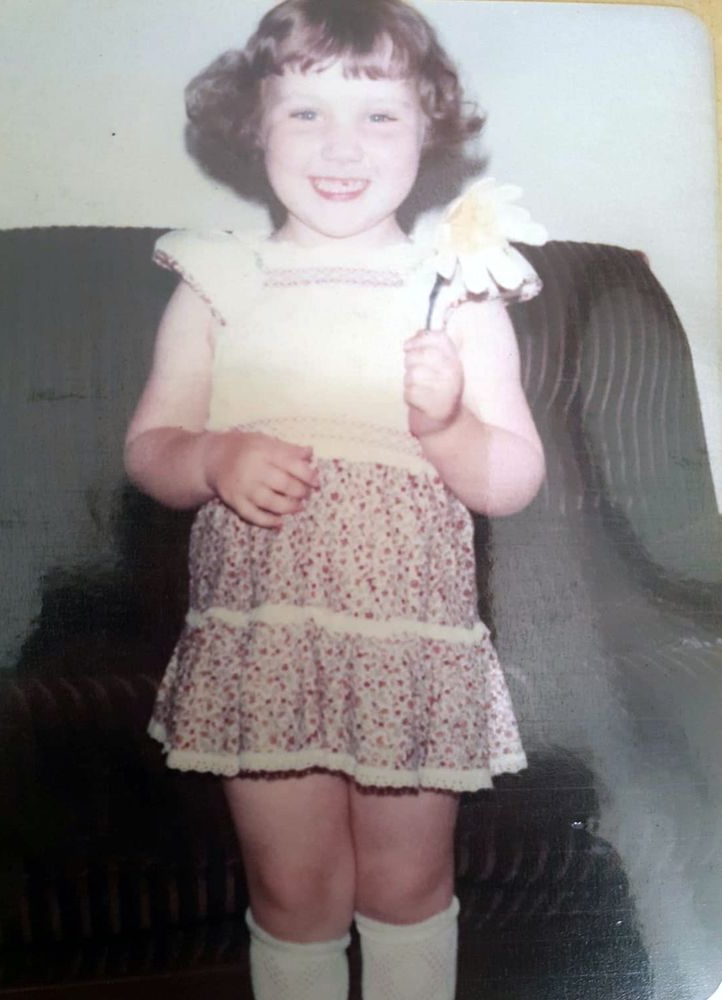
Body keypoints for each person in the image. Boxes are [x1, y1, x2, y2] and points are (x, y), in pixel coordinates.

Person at [124, 1, 546, 997]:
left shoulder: (457, 287)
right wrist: (213, 452)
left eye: (378, 115)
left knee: (407, 880)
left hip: (409, 640)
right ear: (252, 124)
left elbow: (513, 478)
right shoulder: (217, 279)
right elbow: (151, 448)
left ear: (430, 128)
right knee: (292, 884)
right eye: (305, 113)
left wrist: (446, 428)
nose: (340, 145)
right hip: (264, 637)